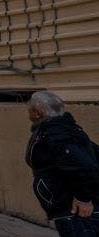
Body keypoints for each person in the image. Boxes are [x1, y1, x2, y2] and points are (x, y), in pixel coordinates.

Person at [26, 90, 99, 236]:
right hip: (70, 208)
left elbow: (83, 165)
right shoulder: (66, 129)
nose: (28, 113)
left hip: (73, 210)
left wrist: (83, 199)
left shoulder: (56, 135)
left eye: (30, 110)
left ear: (38, 113)